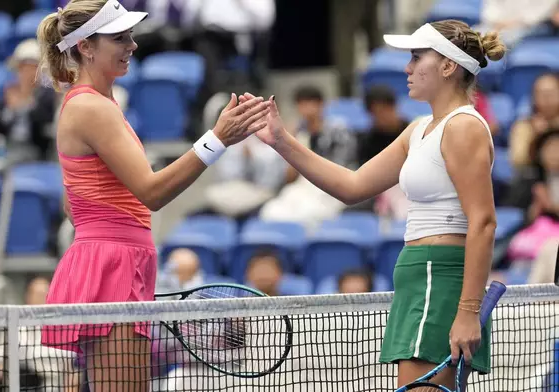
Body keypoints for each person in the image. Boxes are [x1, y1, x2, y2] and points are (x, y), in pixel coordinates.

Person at [241, 19, 505, 390]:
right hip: (419, 277)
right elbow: (352, 186)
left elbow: (483, 223)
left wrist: (467, 312)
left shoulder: (463, 127)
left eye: (416, 57)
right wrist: (282, 140)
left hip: (439, 280)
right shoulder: (419, 128)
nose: (407, 68)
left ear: (448, 66)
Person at [35, 1, 271, 391]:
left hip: (117, 259)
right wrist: (217, 139)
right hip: (114, 264)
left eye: (130, 35)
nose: (132, 45)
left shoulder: (95, 104)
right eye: (119, 38)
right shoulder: (93, 107)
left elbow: (72, 205)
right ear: (86, 47)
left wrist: (115, 238)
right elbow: (152, 192)